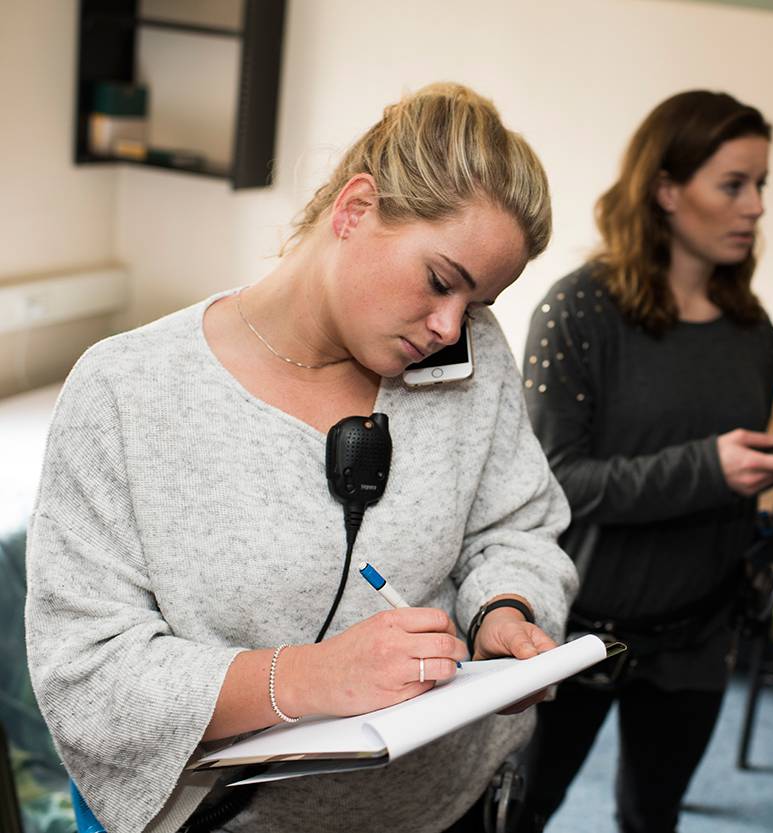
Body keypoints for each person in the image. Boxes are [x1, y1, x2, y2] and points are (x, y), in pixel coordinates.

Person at [24, 83, 578, 833]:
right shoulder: (125, 391)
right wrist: (309, 677)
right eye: (440, 281)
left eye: (476, 303)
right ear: (355, 209)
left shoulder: (471, 358)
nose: (450, 327)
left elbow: (518, 526)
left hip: (454, 804)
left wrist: (505, 608)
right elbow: (87, 675)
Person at [518, 90, 773, 833]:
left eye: (761, 185)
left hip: (699, 633)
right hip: (574, 632)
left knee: (652, 817)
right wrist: (707, 468)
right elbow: (559, 482)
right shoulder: (578, 311)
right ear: (666, 190)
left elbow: (745, 462)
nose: (756, 206)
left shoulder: (754, 333)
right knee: (521, 812)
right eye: (733, 185)